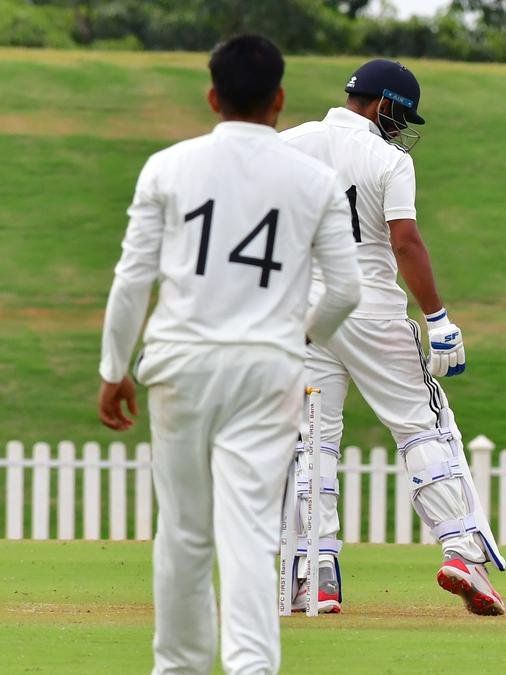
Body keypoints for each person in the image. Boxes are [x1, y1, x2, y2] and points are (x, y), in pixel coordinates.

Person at [96, 35, 362, 672]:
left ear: (213, 98)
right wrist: (299, 337)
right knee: (249, 530)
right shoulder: (315, 180)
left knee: (184, 532)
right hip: (266, 371)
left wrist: (113, 369)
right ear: (280, 99)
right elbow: (346, 290)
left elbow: (133, 280)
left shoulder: (167, 168)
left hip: (180, 364)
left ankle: (178, 666)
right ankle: (251, 667)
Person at [278, 58, 506, 616]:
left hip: (306, 313)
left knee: (313, 440)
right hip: (373, 311)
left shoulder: (289, 144)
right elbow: (405, 242)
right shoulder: (389, 159)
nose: (401, 128)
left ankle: (315, 576)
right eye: (400, 117)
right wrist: (438, 319)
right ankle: (461, 550)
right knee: (422, 426)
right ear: (383, 105)